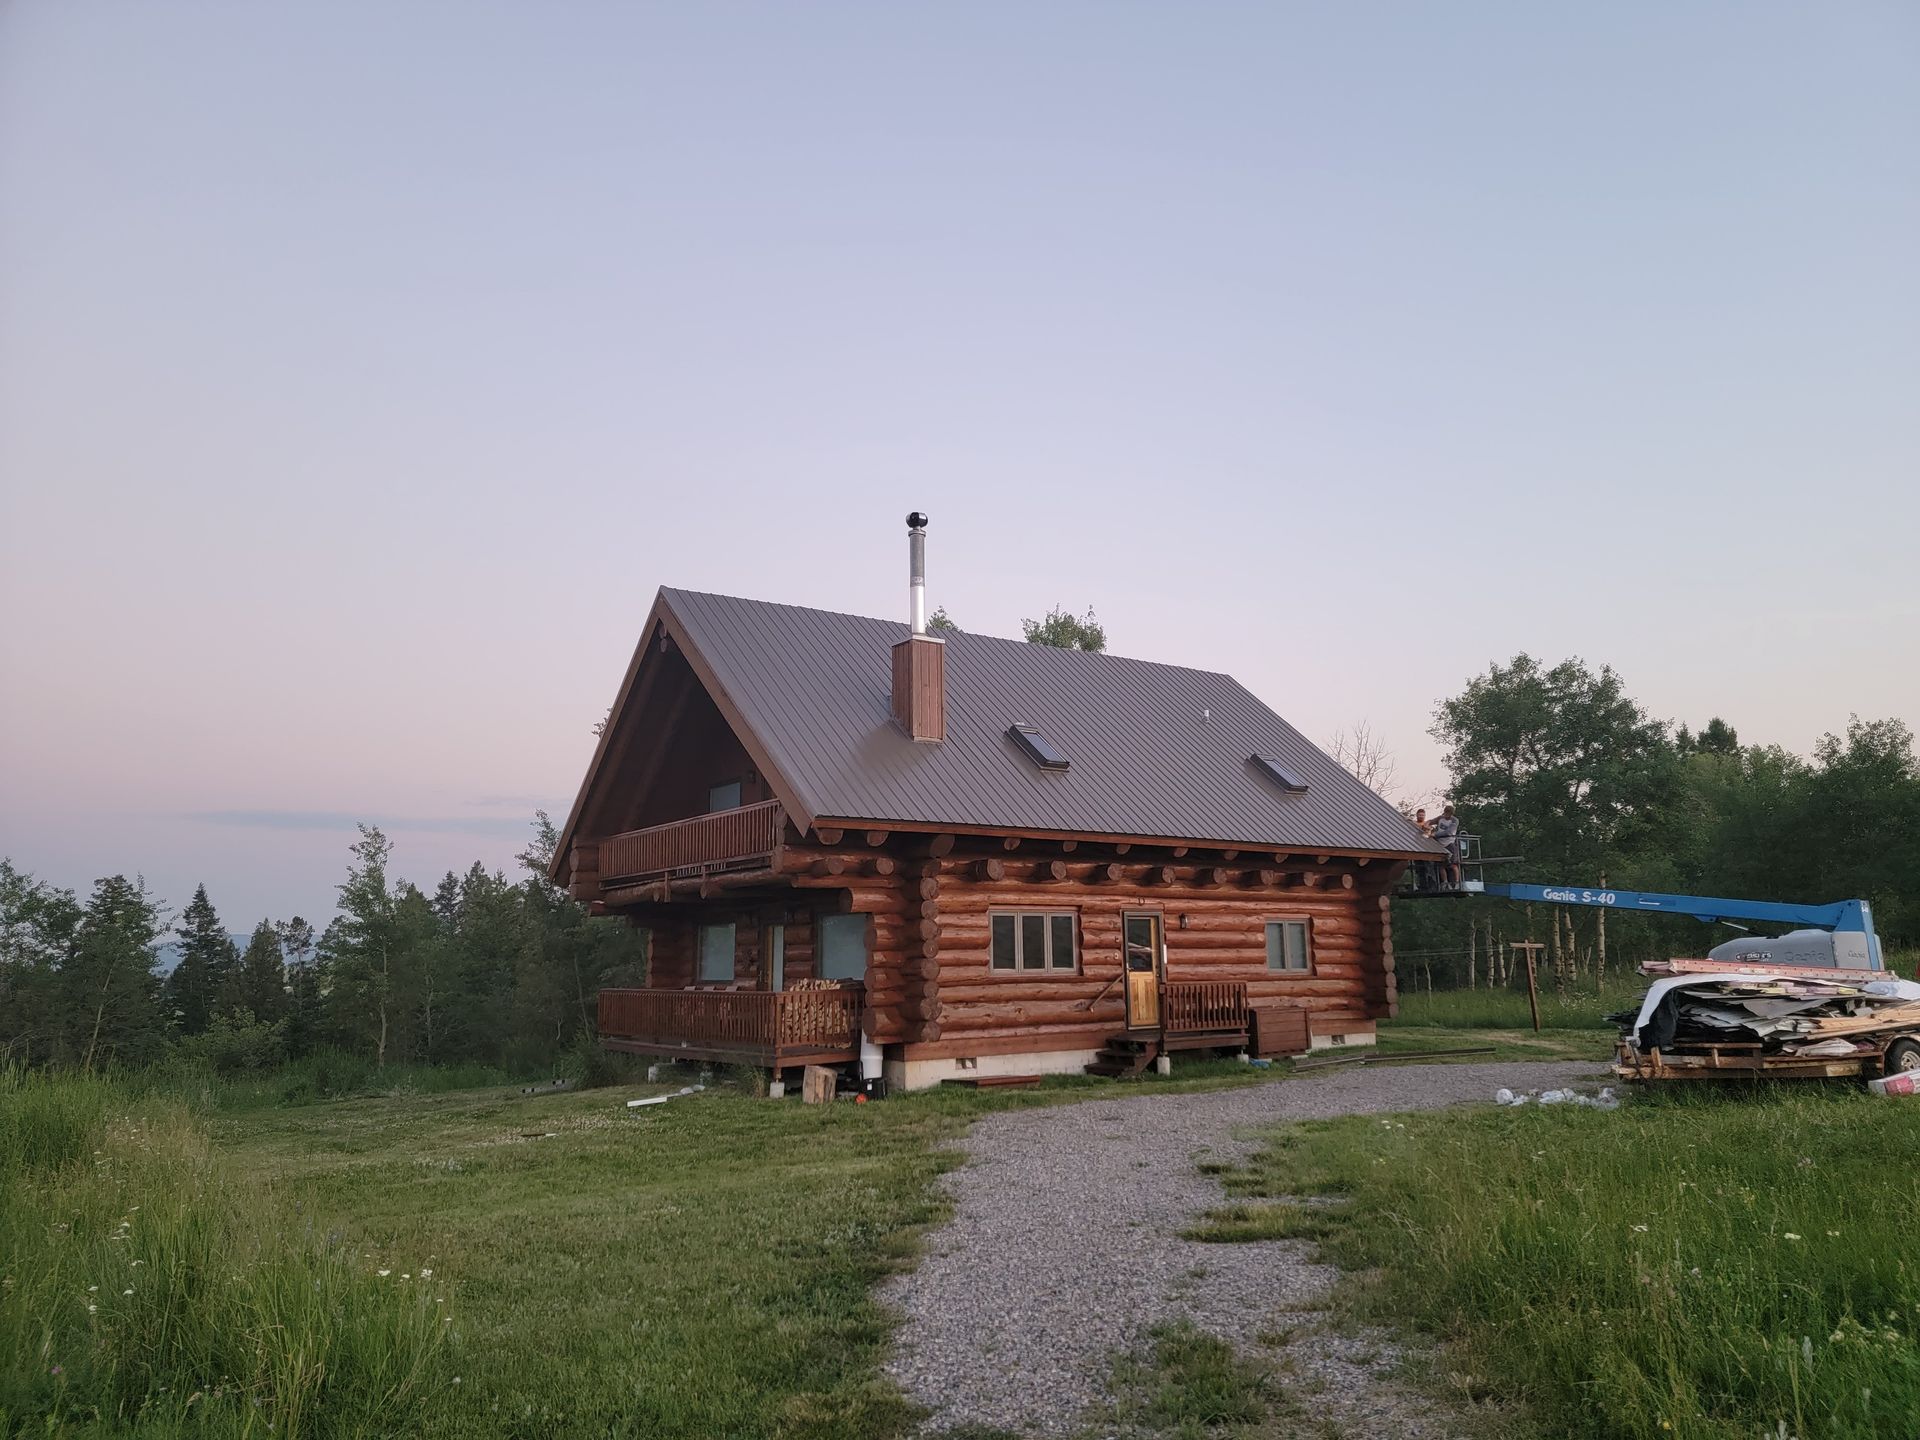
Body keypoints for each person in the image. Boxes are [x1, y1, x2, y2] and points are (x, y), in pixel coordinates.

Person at [1430, 805, 1462, 889]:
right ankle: (1445, 882)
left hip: (1450, 843)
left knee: (1453, 864)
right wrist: (1426, 824)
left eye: (1449, 813)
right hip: (1440, 844)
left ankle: (1457, 882)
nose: (1446, 815)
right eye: (1446, 812)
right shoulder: (1440, 818)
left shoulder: (1454, 820)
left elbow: (1449, 832)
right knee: (1441, 865)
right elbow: (1431, 821)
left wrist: (1435, 834)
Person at [1410, 808, 1436, 891]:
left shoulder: (1426, 823)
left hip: (1427, 848)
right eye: (1420, 815)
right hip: (1417, 847)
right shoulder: (1413, 824)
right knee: (1419, 869)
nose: (1421, 816)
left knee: (1429, 868)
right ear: (1417, 815)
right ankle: (1422, 886)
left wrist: (1412, 822)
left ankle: (1432, 885)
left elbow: (1427, 828)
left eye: (1423, 815)